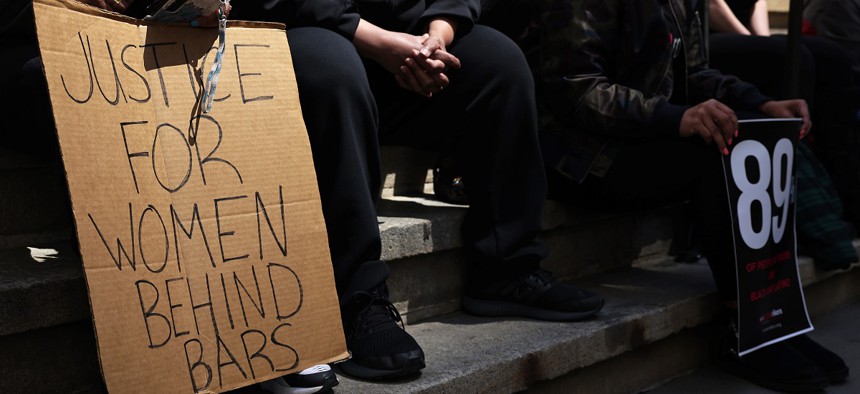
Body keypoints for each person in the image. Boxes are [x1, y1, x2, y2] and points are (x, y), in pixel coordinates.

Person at [228, 0, 606, 382]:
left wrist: (435, 39)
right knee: (331, 64)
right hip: (310, 31)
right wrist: (375, 40)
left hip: (409, 48)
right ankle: (356, 301)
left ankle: (506, 267)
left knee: (499, 63)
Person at [535, 0, 848, 391]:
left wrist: (759, 102)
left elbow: (695, 73)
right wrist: (674, 117)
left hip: (632, 135)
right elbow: (576, 88)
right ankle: (745, 332)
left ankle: (773, 319)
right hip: (579, 156)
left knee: (754, 135)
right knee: (716, 156)